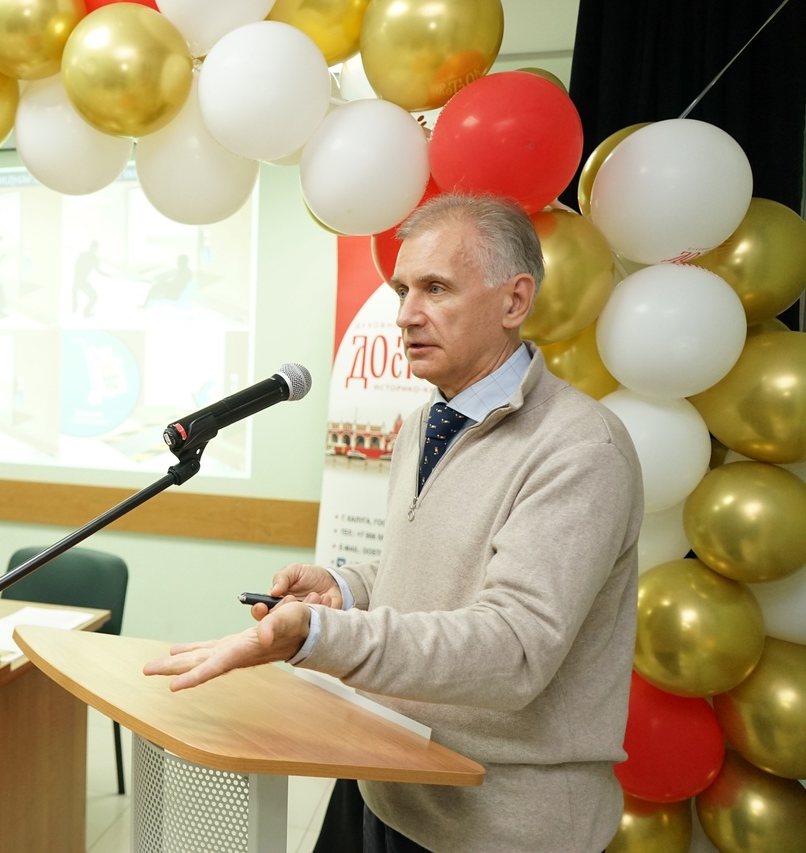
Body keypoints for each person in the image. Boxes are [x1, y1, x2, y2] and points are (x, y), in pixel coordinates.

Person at [144, 193, 644, 852]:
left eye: (435, 288)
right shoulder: (423, 423)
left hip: (501, 827)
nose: (406, 314)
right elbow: (433, 567)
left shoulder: (580, 447)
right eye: (402, 290)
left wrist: (317, 634)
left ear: (514, 301)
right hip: (393, 783)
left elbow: (515, 649)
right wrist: (345, 588)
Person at [72, 240, 108, 317]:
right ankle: (85, 311)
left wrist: (106, 275)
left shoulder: (85, 255)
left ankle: (84, 311)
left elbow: (76, 267)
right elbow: (98, 270)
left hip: (78, 279)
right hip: (81, 280)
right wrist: (106, 275)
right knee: (94, 297)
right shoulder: (94, 258)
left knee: (93, 297)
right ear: (96, 248)